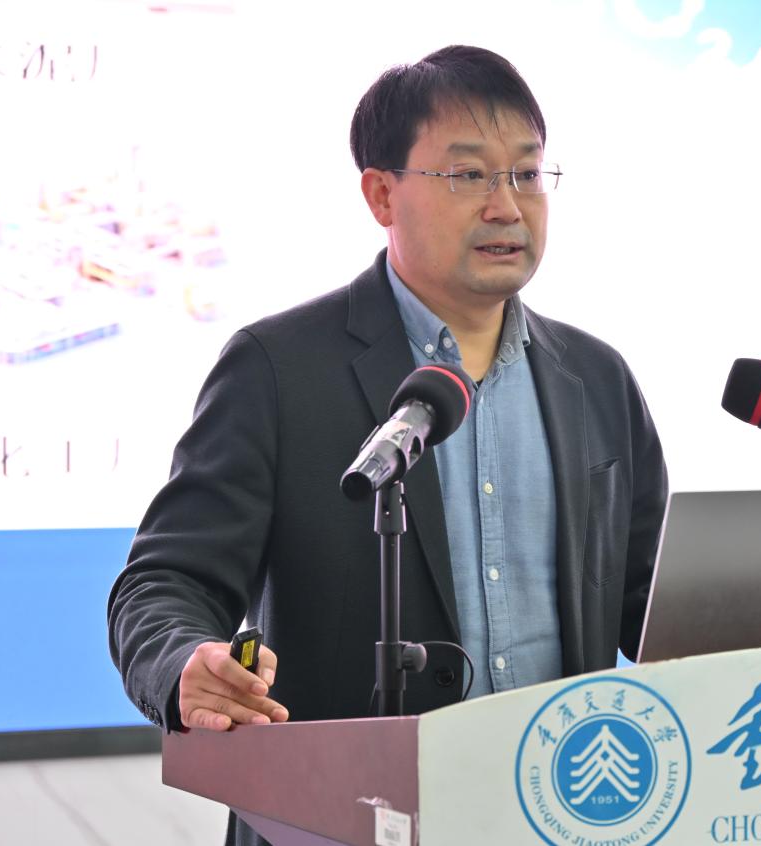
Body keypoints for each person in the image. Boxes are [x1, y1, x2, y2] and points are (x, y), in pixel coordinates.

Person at [107, 44, 667, 845]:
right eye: (469, 175)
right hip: (338, 819)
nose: (507, 206)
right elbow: (165, 581)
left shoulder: (595, 377)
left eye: (526, 173)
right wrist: (183, 663)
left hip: (560, 814)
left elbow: (654, 603)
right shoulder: (279, 369)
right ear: (381, 193)